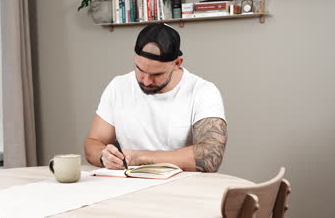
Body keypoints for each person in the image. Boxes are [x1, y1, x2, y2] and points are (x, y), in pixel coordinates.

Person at [84, 23, 227, 172]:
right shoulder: (118, 86)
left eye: (156, 74)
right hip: (128, 186)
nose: (146, 81)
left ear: (177, 63)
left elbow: (211, 157)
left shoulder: (203, 91)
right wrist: (103, 156)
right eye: (140, 69)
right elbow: (94, 142)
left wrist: (140, 158)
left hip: (184, 187)